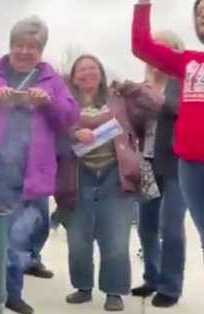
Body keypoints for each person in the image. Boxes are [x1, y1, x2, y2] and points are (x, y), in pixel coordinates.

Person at [0, 16, 79, 314]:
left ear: (41, 50)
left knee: (16, 239)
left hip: (26, 173)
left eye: (32, 47)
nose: (24, 52)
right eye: (19, 45)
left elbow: (70, 115)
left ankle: (12, 292)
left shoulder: (50, 78)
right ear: (10, 46)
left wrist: (49, 102)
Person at [55, 55, 158, 312]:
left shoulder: (119, 100)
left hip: (115, 175)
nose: (87, 73)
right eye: (81, 70)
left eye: (93, 68)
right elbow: (51, 129)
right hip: (77, 176)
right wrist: (73, 133)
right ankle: (82, 287)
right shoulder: (65, 103)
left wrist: (127, 85)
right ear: (73, 76)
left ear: (102, 73)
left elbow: (154, 105)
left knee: (115, 237)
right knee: (78, 237)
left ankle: (114, 291)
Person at [127, 0, 204, 248]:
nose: (202, 17)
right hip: (190, 166)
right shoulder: (190, 63)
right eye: (199, 14)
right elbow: (141, 46)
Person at [130, 31, 186, 308]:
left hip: (176, 165)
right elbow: (132, 126)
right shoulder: (142, 87)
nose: (157, 59)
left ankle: (170, 286)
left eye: (164, 52)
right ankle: (152, 277)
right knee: (147, 226)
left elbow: (189, 115)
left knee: (171, 226)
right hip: (147, 164)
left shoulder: (185, 84)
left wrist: (162, 101)